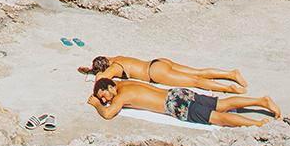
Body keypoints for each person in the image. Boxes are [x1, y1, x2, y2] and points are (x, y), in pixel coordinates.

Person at [87, 77, 281, 127]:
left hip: (175, 105)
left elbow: (108, 114)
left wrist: (95, 103)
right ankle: (261, 101)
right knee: (220, 104)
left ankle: (258, 124)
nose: (105, 100)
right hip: (177, 93)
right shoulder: (125, 83)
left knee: (218, 118)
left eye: (104, 96)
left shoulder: (121, 96)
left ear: (111, 88)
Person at [76, 55, 246, 93]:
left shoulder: (113, 68)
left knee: (195, 81)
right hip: (158, 62)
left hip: (155, 73)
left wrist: (95, 74)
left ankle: (229, 88)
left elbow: (101, 79)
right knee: (197, 72)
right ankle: (231, 74)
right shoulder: (116, 58)